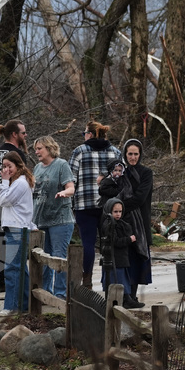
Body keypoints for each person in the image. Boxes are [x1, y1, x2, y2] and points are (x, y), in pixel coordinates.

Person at [69, 121, 121, 289]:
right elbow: (120, 180)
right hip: (109, 205)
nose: (84, 137)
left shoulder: (79, 152)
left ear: (90, 134)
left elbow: (71, 180)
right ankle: (113, 281)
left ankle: (87, 281)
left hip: (85, 205)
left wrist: (71, 204)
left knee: (88, 244)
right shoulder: (115, 152)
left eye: (84, 133)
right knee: (111, 242)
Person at [32, 136, 76, 299]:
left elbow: (71, 187)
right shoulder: (37, 168)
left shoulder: (61, 165)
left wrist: (64, 192)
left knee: (58, 258)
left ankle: (60, 294)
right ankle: (46, 293)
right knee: (44, 259)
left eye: (39, 148)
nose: (36, 152)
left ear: (49, 148)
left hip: (60, 220)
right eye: (35, 149)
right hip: (41, 220)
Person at [0, 119, 28, 294]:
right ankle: (9, 279)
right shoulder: (15, 154)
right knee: (11, 242)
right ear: (15, 134)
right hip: (10, 198)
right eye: (23, 133)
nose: (25, 136)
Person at [0, 151, 35, 317]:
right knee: (20, 269)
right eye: (4, 166)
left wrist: (4, 182)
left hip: (16, 229)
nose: (6, 170)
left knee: (12, 268)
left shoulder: (19, 183)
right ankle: (25, 304)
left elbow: (4, 201)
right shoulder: (19, 182)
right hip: (16, 227)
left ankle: (11, 306)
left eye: (9, 166)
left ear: (18, 165)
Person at [115, 139, 153, 304]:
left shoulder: (146, 173)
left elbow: (140, 197)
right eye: (129, 154)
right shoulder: (120, 172)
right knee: (125, 257)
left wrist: (120, 206)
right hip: (122, 221)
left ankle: (133, 294)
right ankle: (125, 295)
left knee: (138, 256)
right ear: (125, 154)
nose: (132, 157)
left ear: (140, 154)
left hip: (140, 221)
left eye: (135, 154)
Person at [97, 198, 144, 308]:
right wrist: (129, 239)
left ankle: (126, 298)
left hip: (121, 258)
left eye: (120, 211)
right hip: (114, 259)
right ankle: (123, 300)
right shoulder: (109, 224)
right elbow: (115, 241)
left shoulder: (121, 224)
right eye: (115, 212)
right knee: (117, 280)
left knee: (122, 280)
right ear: (109, 211)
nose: (118, 214)